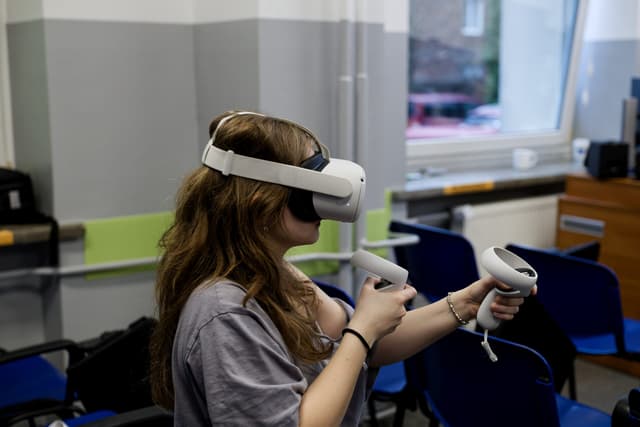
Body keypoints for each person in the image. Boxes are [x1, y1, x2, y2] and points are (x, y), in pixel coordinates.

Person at [149, 111, 530, 426]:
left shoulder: (276, 273)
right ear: (259, 200)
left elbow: (366, 349)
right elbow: (358, 342)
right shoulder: (226, 312)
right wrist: (362, 330)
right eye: (311, 180)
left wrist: (464, 303)